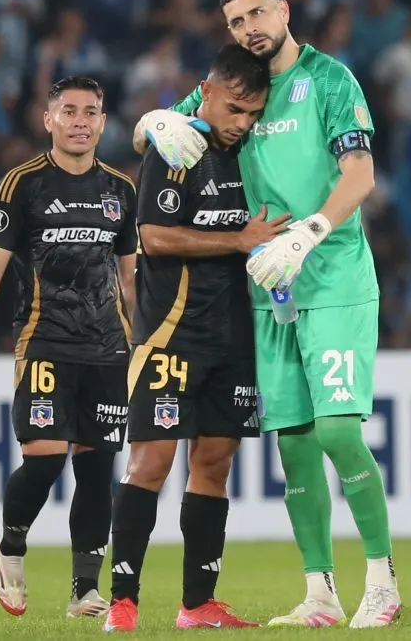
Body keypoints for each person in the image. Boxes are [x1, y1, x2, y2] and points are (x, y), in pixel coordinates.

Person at [131, 0, 402, 629]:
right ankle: (319, 590)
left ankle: (383, 579)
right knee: (296, 444)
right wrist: (152, 121)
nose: (249, 27)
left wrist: (310, 232)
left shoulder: (329, 79)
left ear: (283, 10)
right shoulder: (230, 84)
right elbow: (155, 142)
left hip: (331, 276)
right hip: (267, 287)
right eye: (235, 20)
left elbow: (360, 174)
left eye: (258, 12)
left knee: (338, 429)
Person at [103, 44, 290, 633]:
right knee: (151, 461)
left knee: (213, 463)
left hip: (233, 338)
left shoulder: (252, 155)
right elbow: (154, 236)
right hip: (169, 334)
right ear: (206, 93)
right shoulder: (175, 147)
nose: (242, 123)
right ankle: (123, 601)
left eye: (253, 114)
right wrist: (239, 241)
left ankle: (198, 604)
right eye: (235, 109)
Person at [0, 76, 137, 620]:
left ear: (103, 122)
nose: (80, 121)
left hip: (108, 348)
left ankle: (84, 589)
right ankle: (11, 547)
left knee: (98, 468)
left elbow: (131, 278)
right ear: (48, 120)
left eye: (91, 112)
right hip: (44, 342)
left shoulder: (120, 190)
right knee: (46, 458)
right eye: (69, 111)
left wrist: (147, 340)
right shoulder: (22, 185)